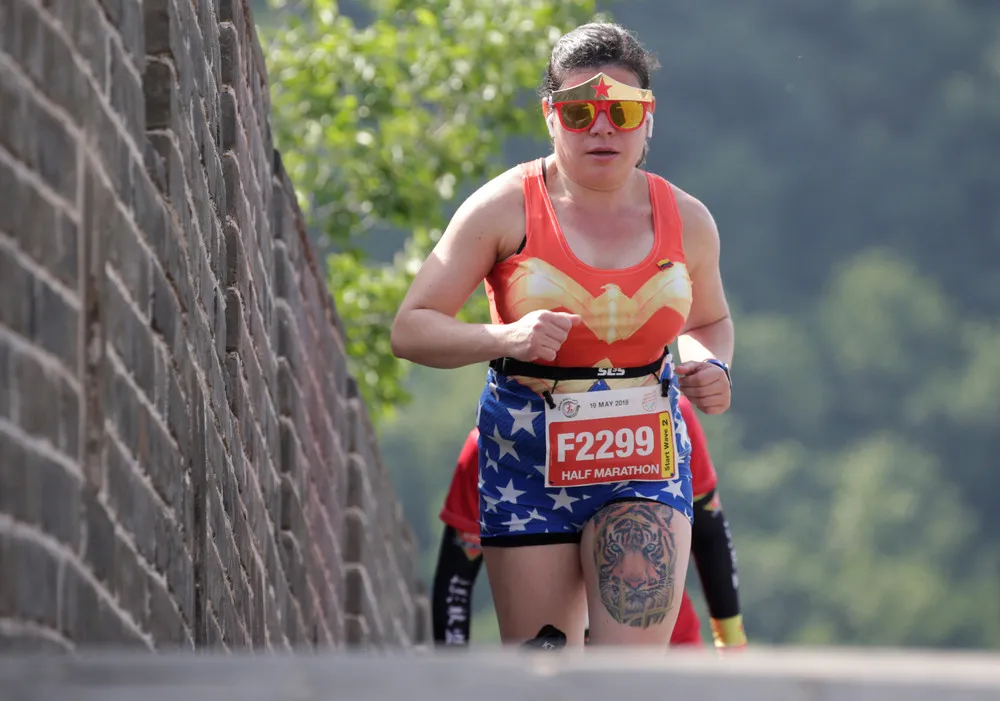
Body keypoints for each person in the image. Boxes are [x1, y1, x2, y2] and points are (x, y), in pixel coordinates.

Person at [391, 21, 734, 647]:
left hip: (641, 454)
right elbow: (411, 329)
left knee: (623, 681)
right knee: (544, 669)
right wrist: (506, 338)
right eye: (579, 111)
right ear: (551, 116)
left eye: (622, 111)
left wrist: (712, 366)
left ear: (648, 119)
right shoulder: (502, 208)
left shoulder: (687, 220)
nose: (602, 127)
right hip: (526, 455)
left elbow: (708, 322)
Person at [431, 395, 747, 651]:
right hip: (559, 661)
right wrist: (451, 680)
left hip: (667, 651)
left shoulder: (668, 411)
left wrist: (732, 645)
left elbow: (709, 533)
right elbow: (455, 581)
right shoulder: (493, 448)